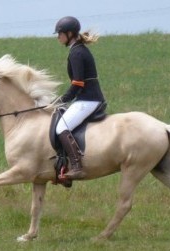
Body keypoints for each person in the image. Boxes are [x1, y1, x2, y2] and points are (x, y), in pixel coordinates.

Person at [53, 16, 106, 180]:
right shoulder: (78, 49)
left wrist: (61, 100)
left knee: (61, 127)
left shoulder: (77, 53)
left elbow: (77, 84)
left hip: (88, 99)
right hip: (87, 98)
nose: (58, 37)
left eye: (60, 33)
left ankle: (76, 166)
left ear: (69, 34)